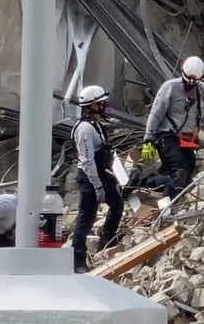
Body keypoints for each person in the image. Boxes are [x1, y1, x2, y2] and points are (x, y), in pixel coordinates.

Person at [141, 57, 204, 198]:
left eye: (194, 81)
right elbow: (156, 114)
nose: (189, 85)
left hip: (188, 138)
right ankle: (167, 209)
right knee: (180, 172)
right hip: (167, 134)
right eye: (187, 80)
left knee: (187, 178)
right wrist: (148, 139)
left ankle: (149, 183)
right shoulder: (170, 88)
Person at [71, 85, 123, 273]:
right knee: (86, 218)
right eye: (102, 103)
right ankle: (77, 260)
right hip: (90, 178)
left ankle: (107, 241)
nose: (105, 106)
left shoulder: (97, 125)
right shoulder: (85, 129)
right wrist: (98, 187)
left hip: (101, 175)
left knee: (117, 204)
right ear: (92, 105)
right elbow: (87, 161)